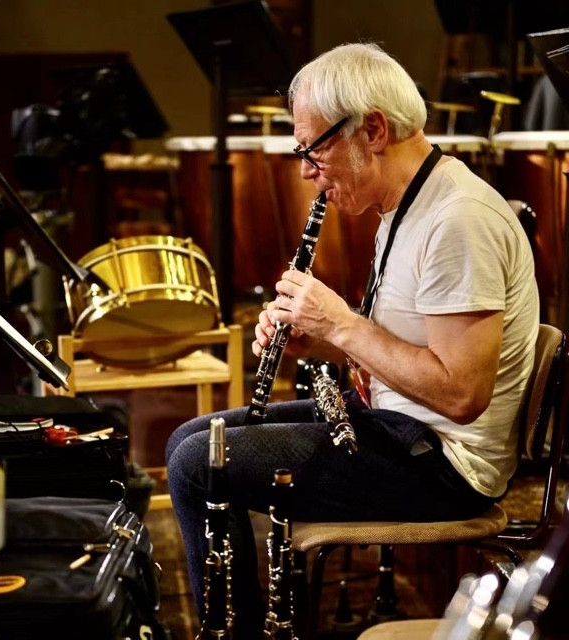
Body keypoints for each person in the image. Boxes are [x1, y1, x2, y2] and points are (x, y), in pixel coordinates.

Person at [166, 42, 539, 637]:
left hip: (443, 469)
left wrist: (341, 323)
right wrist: (317, 340)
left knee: (196, 464)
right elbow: (403, 349)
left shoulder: (458, 219)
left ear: (373, 130)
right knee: (189, 439)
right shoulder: (405, 206)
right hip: (398, 427)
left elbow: (462, 393)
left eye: (313, 149)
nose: (306, 171)